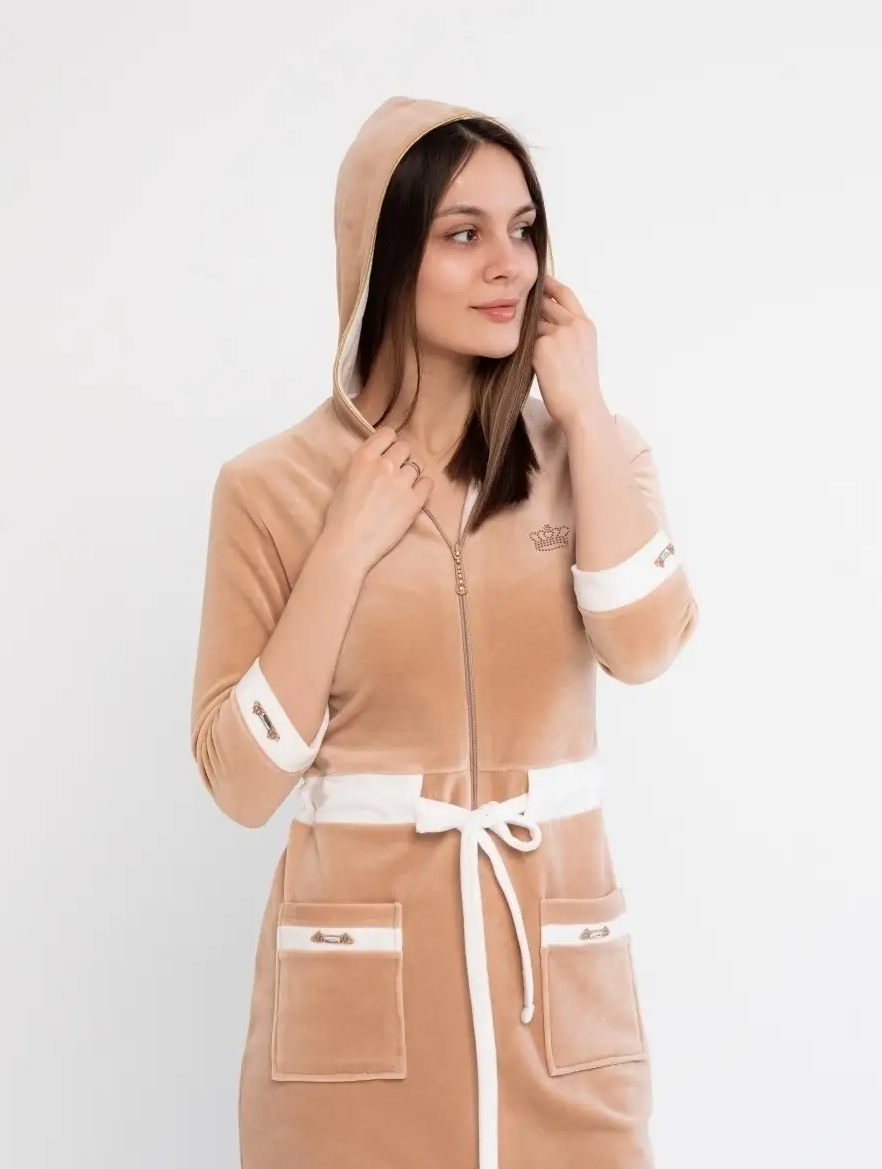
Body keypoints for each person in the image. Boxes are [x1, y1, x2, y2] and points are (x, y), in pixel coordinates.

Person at [190, 94, 699, 1169]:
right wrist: (344, 546)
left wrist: (584, 413)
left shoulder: (595, 451)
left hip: (562, 1008)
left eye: (524, 230)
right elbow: (241, 782)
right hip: (351, 1031)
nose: (509, 265)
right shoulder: (270, 487)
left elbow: (646, 645)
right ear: (380, 259)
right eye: (463, 234)